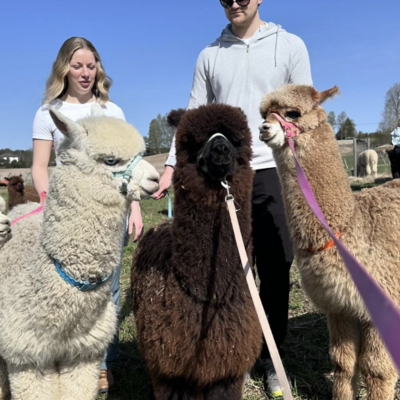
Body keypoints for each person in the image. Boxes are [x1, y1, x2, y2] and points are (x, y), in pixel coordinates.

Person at [153, 0, 312, 396]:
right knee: (230, 267)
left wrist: (305, 164)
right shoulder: (209, 55)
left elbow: (303, 109)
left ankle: (271, 356)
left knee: (276, 264)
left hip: (273, 168)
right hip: (225, 175)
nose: (234, 3)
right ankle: (232, 352)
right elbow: (193, 115)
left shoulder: (290, 46)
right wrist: (172, 165)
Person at [31, 36, 143, 394]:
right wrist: (48, 205)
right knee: (63, 289)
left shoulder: (113, 112)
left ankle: (101, 364)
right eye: (77, 66)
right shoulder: (48, 113)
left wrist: (135, 207)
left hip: (110, 215)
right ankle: (62, 358)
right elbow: (40, 167)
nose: (84, 73)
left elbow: (129, 166)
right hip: (68, 215)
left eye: (90, 66)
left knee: (108, 288)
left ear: (98, 69)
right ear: (64, 69)